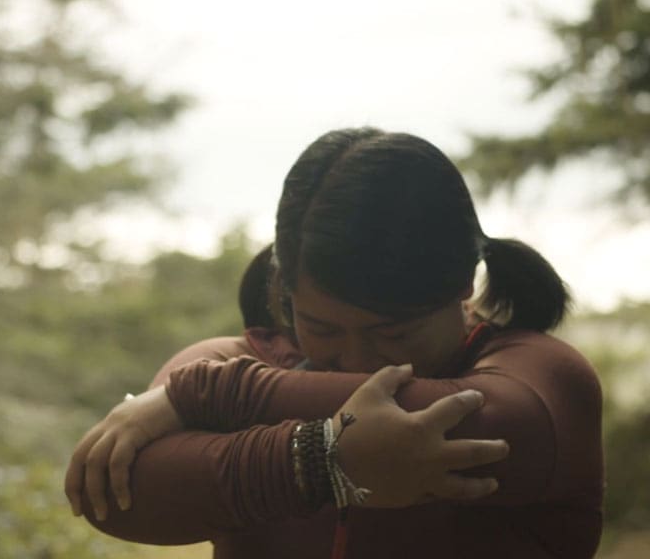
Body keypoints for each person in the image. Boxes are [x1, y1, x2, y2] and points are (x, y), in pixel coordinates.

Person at [65, 128, 603, 558]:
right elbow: (115, 495)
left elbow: (503, 429)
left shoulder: (538, 374)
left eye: (392, 334)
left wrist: (212, 396)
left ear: (463, 284)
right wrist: (323, 462)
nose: (358, 364)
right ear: (285, 288)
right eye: (322, 329)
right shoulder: (240, 358)